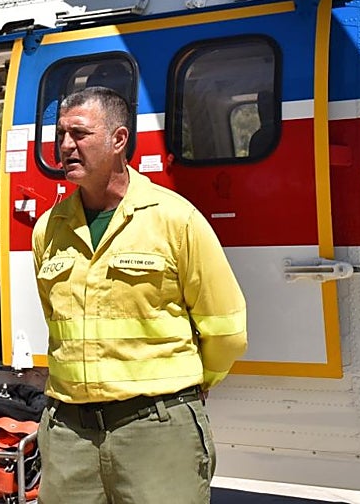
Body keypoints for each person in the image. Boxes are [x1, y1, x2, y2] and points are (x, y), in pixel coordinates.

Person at [31, 87, 247, 504]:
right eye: (61, 135)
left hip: (155, 429)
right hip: (69, 434)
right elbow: (56, 325)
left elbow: (227, 328)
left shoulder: (175, 218)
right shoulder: (49, 229)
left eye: (79, 134)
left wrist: (199, 383)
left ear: (118, 140)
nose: (65, 146)